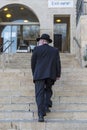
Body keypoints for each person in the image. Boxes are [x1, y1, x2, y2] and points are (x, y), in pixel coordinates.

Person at [31, 33, 61, 122]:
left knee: (39, 94)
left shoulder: (36, 49)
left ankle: (41, 114)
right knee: (48, 89)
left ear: (43, 41)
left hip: (39, 75)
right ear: (47, 41)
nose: (39, 42)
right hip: (50, 75)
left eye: (40, 40)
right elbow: (57, 63)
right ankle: (47, 105)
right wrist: (58, 74)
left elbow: (33, 63)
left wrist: (34, 74)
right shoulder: (54, 50)